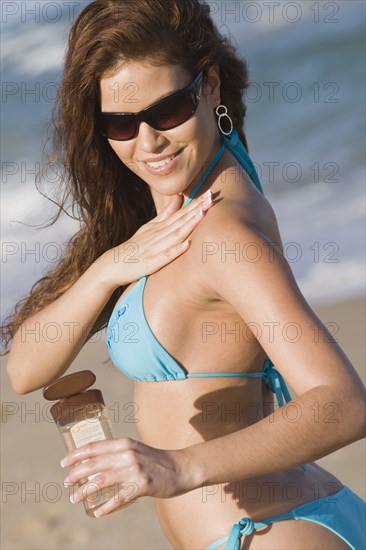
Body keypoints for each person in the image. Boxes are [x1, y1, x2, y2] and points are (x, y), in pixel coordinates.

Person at [2, 1, 365, 548]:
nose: (148, 143)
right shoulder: (168, 215)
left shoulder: (221, 233)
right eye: (121, 123)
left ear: (210, 86)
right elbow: (25, 370)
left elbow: (342, 402)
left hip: (273, 535)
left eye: (168, 110)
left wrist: (178, 467)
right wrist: (108, 268)